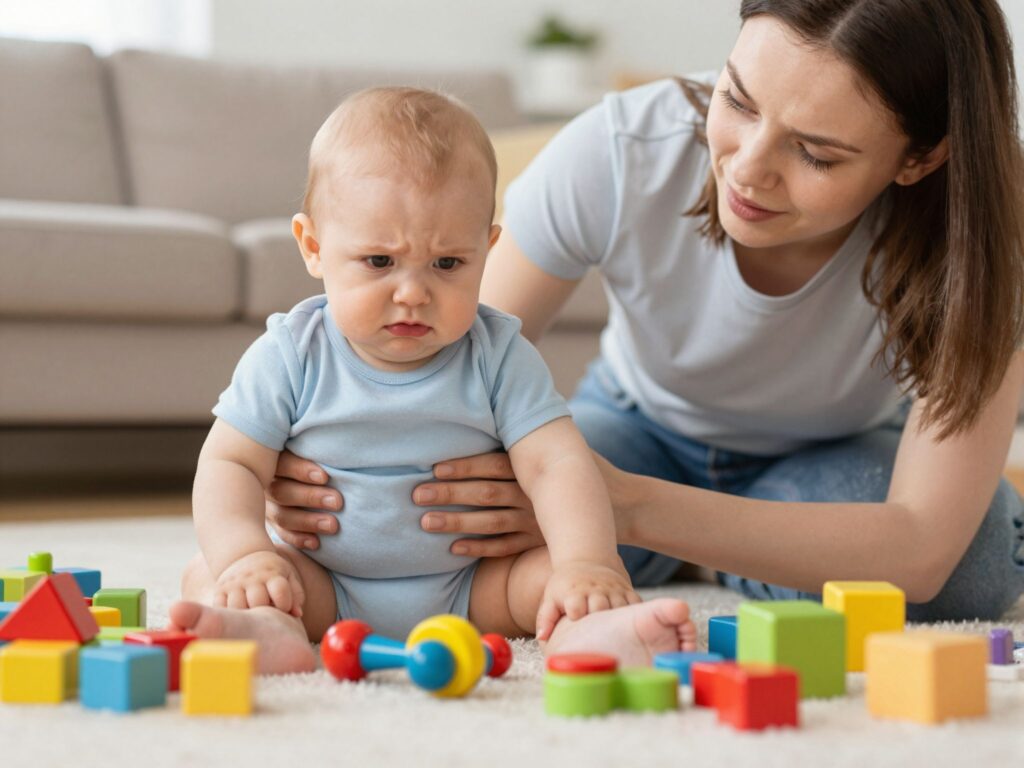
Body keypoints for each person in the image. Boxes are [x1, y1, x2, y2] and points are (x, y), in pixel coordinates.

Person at [266, 0, 1024, 623]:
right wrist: (335, 474)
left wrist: (623, 509)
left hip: (824, 456)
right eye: (737, 99)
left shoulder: (991, 238)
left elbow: (922, 546)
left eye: (816, 153)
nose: (748, 169)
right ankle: (737, 552)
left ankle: (687, 547)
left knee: (978, 563)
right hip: (631, 432)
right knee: (461, 508)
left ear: (921, 157)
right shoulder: (624, 146)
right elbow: (445, 372)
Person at [169, 86, 698, 674]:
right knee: (211, 571)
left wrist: (587, 564)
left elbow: (557, 464)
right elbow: (230, 463)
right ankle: (269, 629)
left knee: (561, 576)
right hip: (322, 583)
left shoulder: (498, 354)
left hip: (479, 587)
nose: (413, 293)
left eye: (448, 263)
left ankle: (591, 631)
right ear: (314, 247)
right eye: (380, 261)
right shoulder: (291, 352)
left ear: (486, 250)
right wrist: (246, 555)